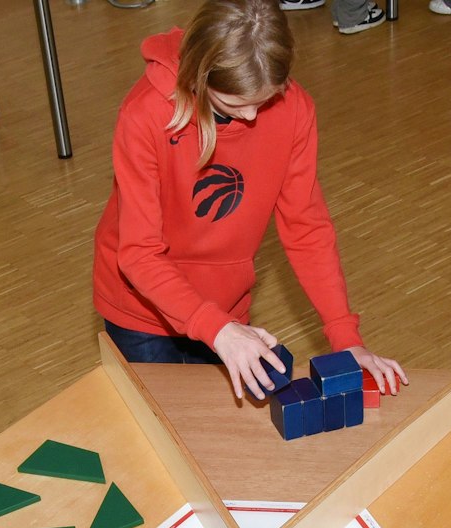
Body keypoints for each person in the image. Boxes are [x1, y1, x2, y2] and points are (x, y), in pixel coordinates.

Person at [93, 0, 407, 402]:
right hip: (141, 311)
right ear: (199, 78)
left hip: (225, 307)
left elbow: (306, 230)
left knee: (219, 426)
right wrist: (217, 329)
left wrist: (346, 337)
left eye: (266, 99)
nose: (253, 116)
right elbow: (139, 253)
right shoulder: (145, 115)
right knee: (157, 427)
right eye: (235, 104)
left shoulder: (295, 109)